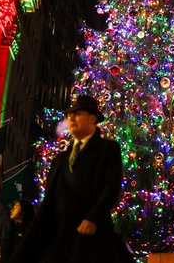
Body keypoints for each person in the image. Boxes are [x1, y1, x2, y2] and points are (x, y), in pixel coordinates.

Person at [10, 95, 125, 263]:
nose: (71, 118)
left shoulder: (108, 149)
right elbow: (49, 202)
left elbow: (111, 187)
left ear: (92, 118)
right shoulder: (59, 160)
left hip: (90, 235)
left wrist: (93, 218)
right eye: (69, 115)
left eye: (77, 114)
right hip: (59, 237)